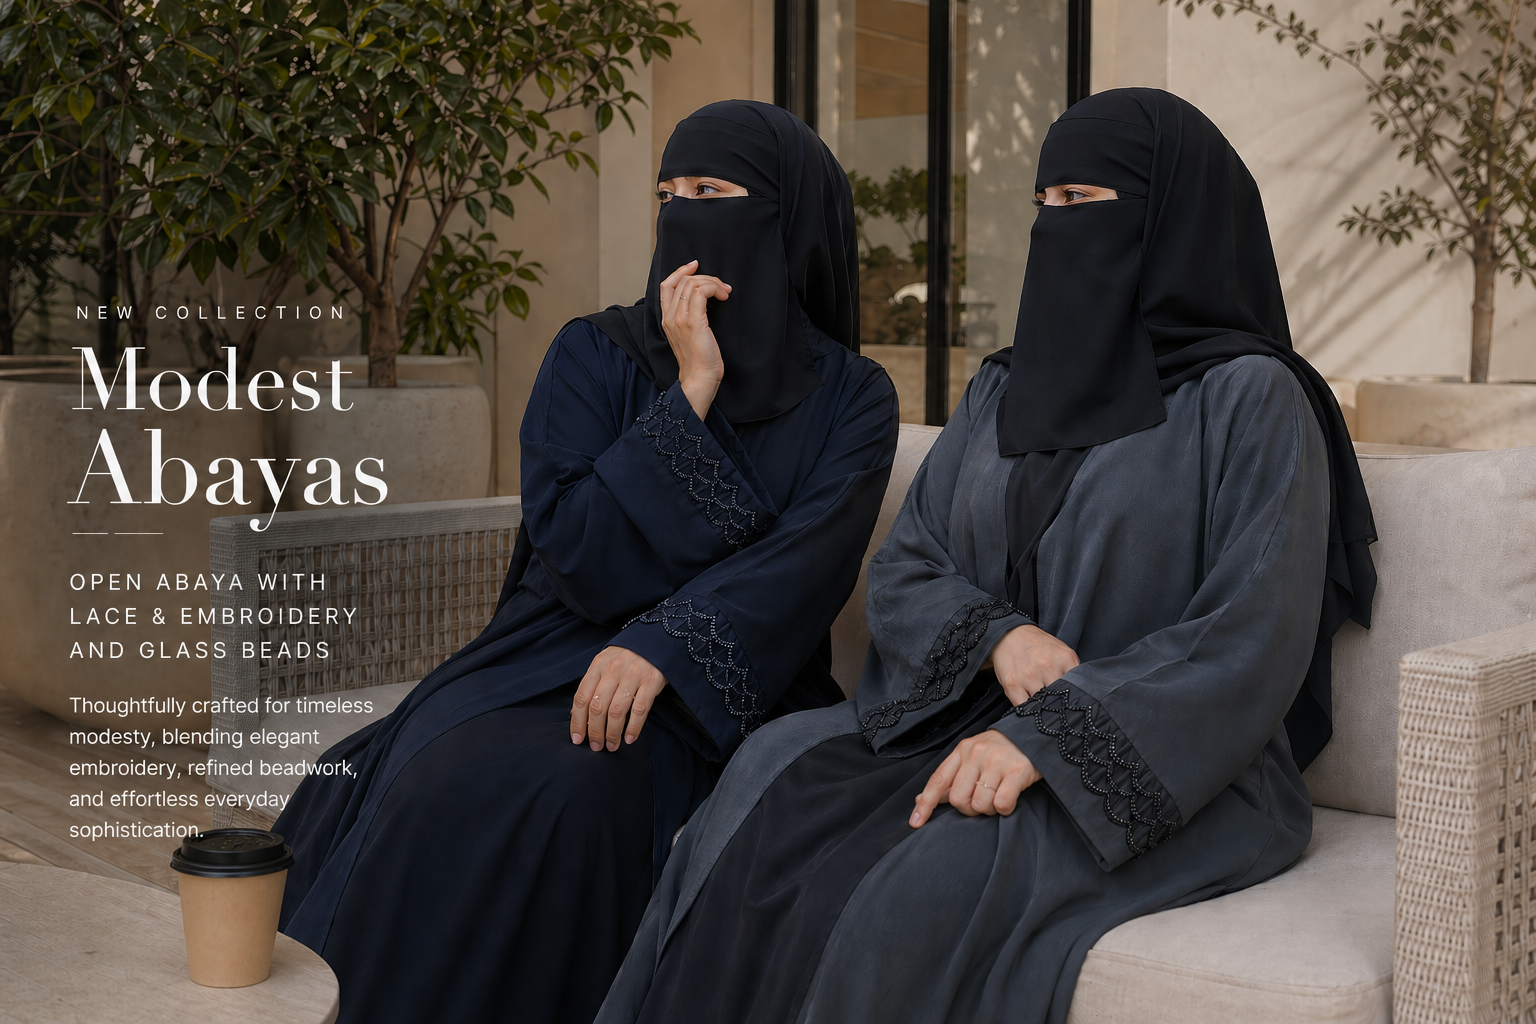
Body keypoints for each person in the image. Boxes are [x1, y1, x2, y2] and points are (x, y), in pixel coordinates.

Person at [593, 88, 1377, 1024]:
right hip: (959, 711)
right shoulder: (1004, 388)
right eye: (1042, 204)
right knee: (764, 777)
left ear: (1173, 219)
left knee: (910, 890)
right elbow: (909, 564)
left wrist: (1048, 737)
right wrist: (1001, 641)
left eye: (1082, 203)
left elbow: (1253, 634)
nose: (1054, 228)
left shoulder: (1252, 399)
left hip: (1168, 766)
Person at [272, 99, 898, 1024]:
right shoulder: (593, 353)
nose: (684, 215)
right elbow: (570, 543)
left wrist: (663, 648)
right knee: (422, 772)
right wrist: (689, 392)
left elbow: (805, 568)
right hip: (549, 645)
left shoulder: (853, 397)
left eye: (711, 193)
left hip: (725, 683)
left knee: (568, 793)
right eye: (669, 194)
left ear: (782, 214)